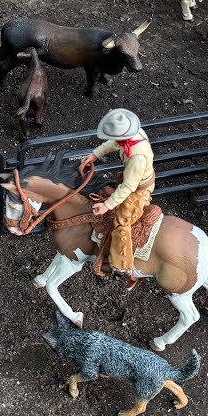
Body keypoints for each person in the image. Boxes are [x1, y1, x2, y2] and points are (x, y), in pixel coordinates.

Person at [79, 109, 155, 286]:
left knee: (122, 221)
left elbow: (128, 187)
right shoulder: (133, 134)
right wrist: (95, 154)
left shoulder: (138, 157)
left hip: (138, 189)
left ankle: (122, 265)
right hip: (133, 178)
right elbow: (114, 143)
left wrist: (106, 205)